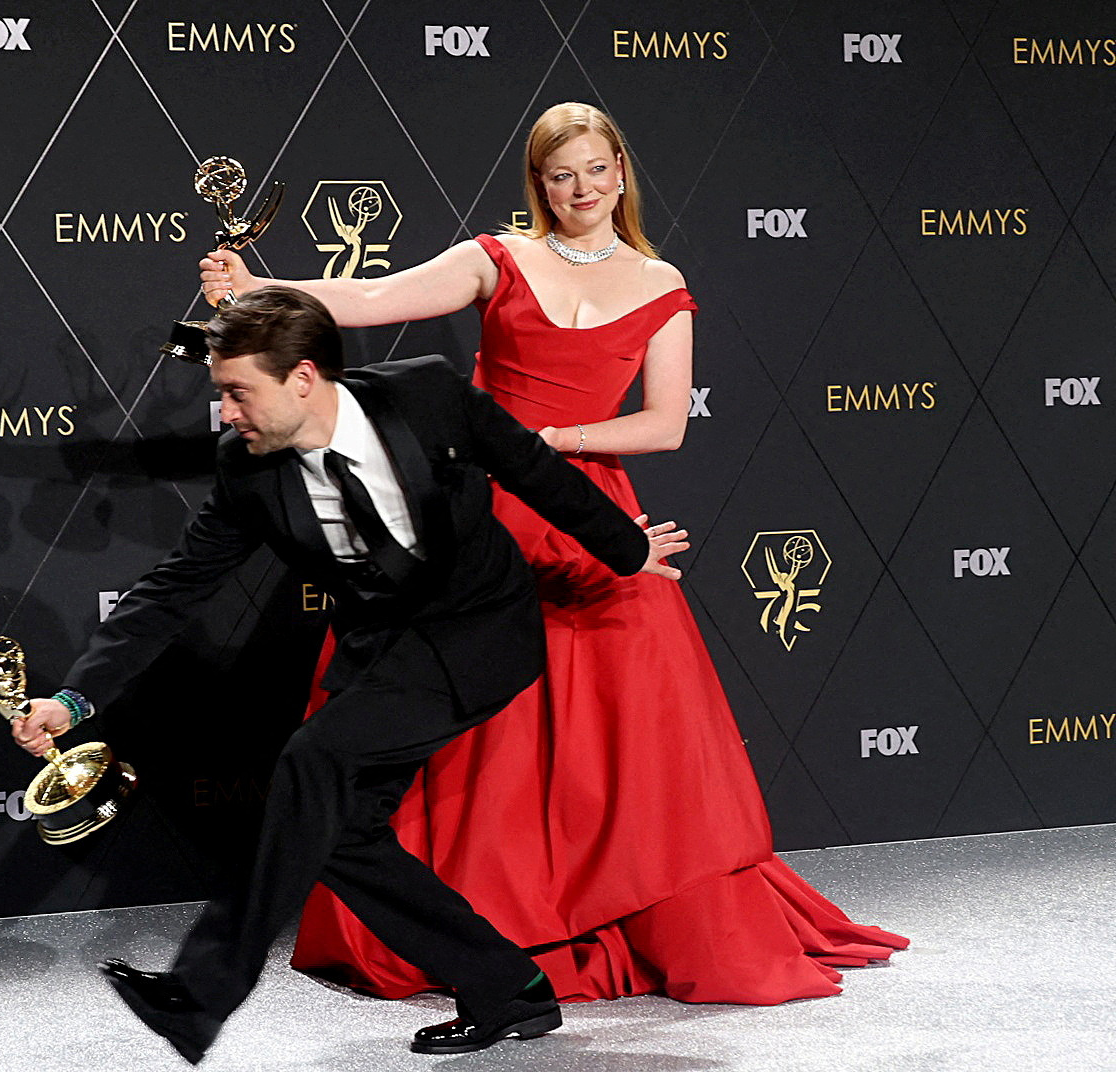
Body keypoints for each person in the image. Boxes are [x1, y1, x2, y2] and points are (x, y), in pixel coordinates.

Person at [197, 102, 907, 1005]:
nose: (580, 190)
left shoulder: (660, 282)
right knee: (461, 720)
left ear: (621, 172)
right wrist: (261, 293)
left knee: (629, 711)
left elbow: (664, 424)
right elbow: (375, 300)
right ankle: (476, 929)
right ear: (539, 182)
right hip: (472, 515)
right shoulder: (496, 259)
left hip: (582, 506)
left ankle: (627, 906)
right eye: (560, 174)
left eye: (595, 170)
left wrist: (543, 444)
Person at [11, 286, 690, 1064]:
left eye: (239, 393)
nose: (226, 413)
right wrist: (74, 696)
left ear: (302, 378)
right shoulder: (248, 469)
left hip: (477, 632)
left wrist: (628, 550)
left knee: (313, 762)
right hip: (384, 647)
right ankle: (510, 988)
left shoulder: (425, 392)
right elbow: (174, 588)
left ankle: (201, 993)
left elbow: (533, 469)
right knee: (335, 831)